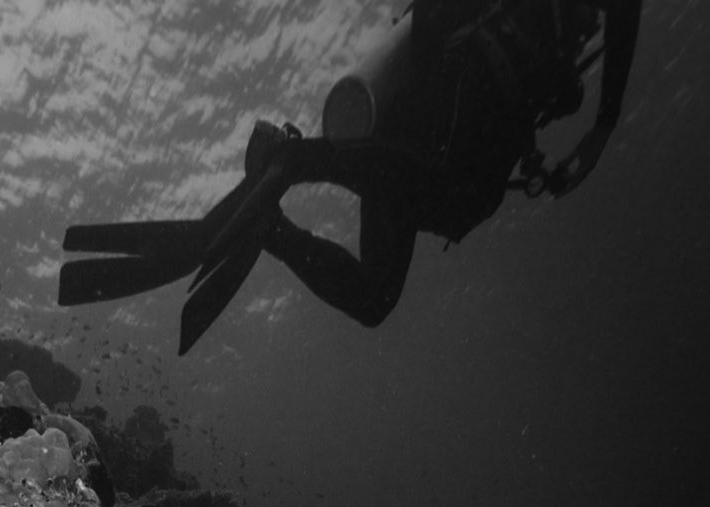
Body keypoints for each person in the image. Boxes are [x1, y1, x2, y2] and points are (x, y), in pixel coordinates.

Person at [59, 0, 642, 353]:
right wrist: (605, 123)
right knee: (458, 198)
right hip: (457, 105)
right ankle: (296, 159)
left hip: (415, 132)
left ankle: (271, 223)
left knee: (374, 298)